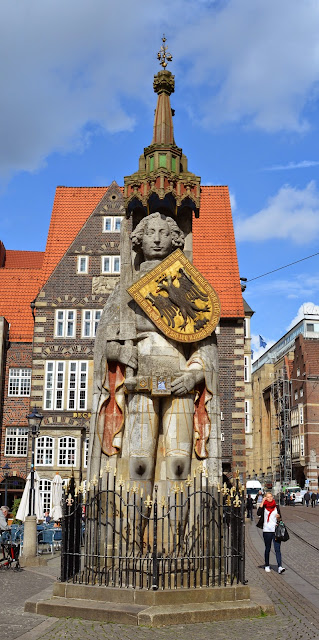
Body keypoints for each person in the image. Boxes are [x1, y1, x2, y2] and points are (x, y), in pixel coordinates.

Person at [88, 212, 221, 495]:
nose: (158, 239)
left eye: (164, 233)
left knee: (178, 467)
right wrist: (119, 353)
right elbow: (103, 345)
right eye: (151, 233)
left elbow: (205, 346)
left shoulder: (187, 285)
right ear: (139, 239)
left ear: (175, 239)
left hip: (180, 384)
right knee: (138, 465)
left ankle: (179, 538)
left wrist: (194, 375)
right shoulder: (125, 290)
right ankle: (129, 538)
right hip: (139, 384)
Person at [257, 491, 286, 574]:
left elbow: (280, 518)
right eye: (268, 497)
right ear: (265, 498)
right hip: (267, 531)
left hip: (276, 530)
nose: (270, 498)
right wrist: (262, 502)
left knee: (277, 549)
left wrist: (279, 517)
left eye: (271, 496)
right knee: (268, 548)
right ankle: (267, 565)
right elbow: (258, 513)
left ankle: (280, 566)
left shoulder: (276, 506)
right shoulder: (264, 507)